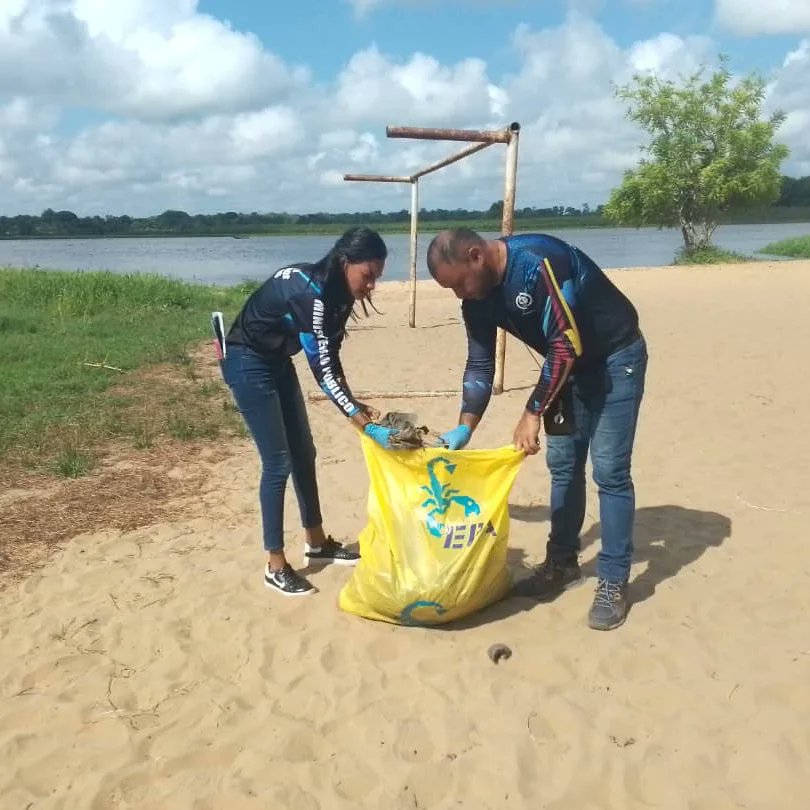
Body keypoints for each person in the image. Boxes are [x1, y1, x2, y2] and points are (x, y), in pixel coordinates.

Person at [428, 228, 647, 630]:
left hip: (615, 358)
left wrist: (532, 411)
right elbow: (480, 364)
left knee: (609, 471)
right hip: (564, 370)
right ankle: (561, 564)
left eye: (459, 283)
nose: (459, 294)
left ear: (476, 256)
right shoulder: (476, 299)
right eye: (451, 289)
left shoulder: (537, 262)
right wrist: (464, 428)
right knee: (563, 466)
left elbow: (565, 343)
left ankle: (613, 580)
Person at [220, 227, 400, 597]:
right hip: (246, 361)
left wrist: (354, 404)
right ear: (345, 262)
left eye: (377, 278)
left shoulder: (339, 293)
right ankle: (275, 566)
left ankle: (316, 543)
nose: (371, 286)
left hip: (277, 361)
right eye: (367, 276)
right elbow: (323, 374)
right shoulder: (311, 295)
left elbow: (332, 359)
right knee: (278, 462)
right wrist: (364, 426)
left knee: (304, 452)